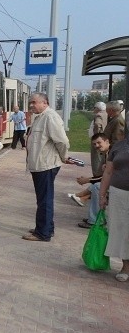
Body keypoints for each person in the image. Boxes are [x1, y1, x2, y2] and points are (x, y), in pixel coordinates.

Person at [23, 93, 71, 242]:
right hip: (40, 165)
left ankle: (42, 233)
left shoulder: (50, 117)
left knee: (45, 200)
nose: (31, 105)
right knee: (44, 199)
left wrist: (64, 157)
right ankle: (45, 228)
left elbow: (62, 141)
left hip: (46, 165)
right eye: (30, 103)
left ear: (45, 102)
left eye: (34, 102)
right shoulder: (40, 117)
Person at [99, 136, 129, 282]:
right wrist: (102, 195)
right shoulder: (119, 146)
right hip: (119, 194)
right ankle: (126, 266)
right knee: (122, 231)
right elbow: (108, 172)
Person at [66, 133, 110, 228]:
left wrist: (87, 180)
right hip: (117, 183)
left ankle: (95, 221)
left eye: (99, 143)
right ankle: (82, 200)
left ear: (107, 141)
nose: (96, 146)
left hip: (120, 185)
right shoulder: (107, 153)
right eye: (94, 144)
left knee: (97, 187)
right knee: (96, 185)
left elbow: (108, 176)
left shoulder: (111, 153)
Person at [88, 102, 108, 176]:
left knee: (96, 159)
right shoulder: (106, 114)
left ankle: (96, 176)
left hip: (98, 141)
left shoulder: (99, 115)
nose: (94, 109)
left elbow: (97, 124)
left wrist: (96, 136)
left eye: (94, 107)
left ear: (97, 108)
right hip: (104, 140)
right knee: (101, 159)